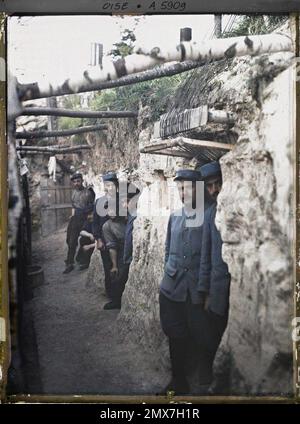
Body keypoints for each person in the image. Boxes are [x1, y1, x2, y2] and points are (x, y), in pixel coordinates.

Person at [159, 169, 210, 395]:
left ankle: (202, 380)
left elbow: (210, 257)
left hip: (195, 290)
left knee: (200, 335)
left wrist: (204, 290)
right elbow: (169, 249)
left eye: (187, 188)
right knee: (174, 333)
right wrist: (168, 276)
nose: (182, 193)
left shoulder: (209, 216)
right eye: (179, 188)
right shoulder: (175, 216)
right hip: (172, 288)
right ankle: (178, 380)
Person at [197, 161, 231, 388]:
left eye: (218, 183)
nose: (214, 190)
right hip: (218, 288)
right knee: (214, 332)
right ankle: (208, 375)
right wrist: (205, 291)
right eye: (209, 186)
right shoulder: (209, 214)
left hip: (238, 285)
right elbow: (206, 256)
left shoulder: (235, 207)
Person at [92, 172, 119, 299]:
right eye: (108, 185)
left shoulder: (122, 201)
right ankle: (111, 295)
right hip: (104, 241)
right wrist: (98, 239)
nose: (111, 188)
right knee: (108, 267)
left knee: (119, 268)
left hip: (119, 241)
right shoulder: (99, 202)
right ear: (104, 187)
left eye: (113, 185)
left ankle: (118, 296)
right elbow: (95, 223)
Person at [64, 172, 95, 274]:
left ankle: (83, 261)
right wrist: (72, 216)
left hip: (85, 218)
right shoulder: (73, 193)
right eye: (74, 182)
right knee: (71, 241)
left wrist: (89, 217)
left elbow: (92, 207)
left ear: (82, 181)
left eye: (78, 181)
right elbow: (74, 206)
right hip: (75, 219)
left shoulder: (88, 192)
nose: (76, 183)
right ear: (73, 183)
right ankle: (69, 263)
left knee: (85, 240)